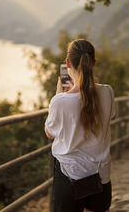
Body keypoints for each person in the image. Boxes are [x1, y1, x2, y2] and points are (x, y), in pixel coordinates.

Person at [44, 39, 115, 212]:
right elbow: (107, 116)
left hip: (69, 179)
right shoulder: (108, 92)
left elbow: (50, 133)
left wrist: (59, 96)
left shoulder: (60, 101)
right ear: (94, 63)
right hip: (101, 179)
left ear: (67, 63)